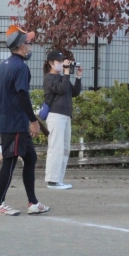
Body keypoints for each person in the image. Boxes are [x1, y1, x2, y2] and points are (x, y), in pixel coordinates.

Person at [0, 25, 50, 216]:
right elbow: (22, 94)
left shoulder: (2, 66)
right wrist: (33, 120)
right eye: (29, 43)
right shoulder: (21, 68)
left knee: (30, 158)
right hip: (15, 122)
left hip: (7, 120)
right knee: (10, 161)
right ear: (22, 46)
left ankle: (33, 202)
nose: (30, 47)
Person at [43, 50, 83, 190]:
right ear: (51, 63)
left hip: (65, 115)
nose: (62, 64)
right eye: (59, 61)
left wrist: (78, 77)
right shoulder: (49, 78)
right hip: (55, 115)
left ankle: (58, 179)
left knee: (65, 149)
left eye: (63, 61)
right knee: (56, 148)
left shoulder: (62, 77)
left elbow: (74, 92)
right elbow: (61, 89)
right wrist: (66, 73)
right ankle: (52, 180)